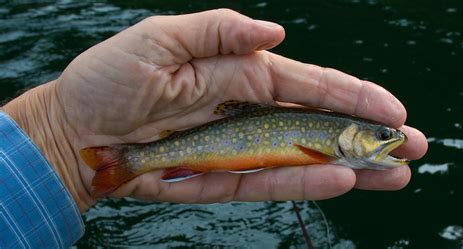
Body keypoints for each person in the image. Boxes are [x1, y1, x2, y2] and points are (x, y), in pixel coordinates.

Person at [0, 9, 427, 247]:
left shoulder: (330, 148)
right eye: (382, 136)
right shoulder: (328, 148)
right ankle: (129, 161)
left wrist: (56, 133)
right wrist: (58, 132)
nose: (388, 141)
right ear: (352, 139)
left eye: (384, 138)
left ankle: (128, 161)